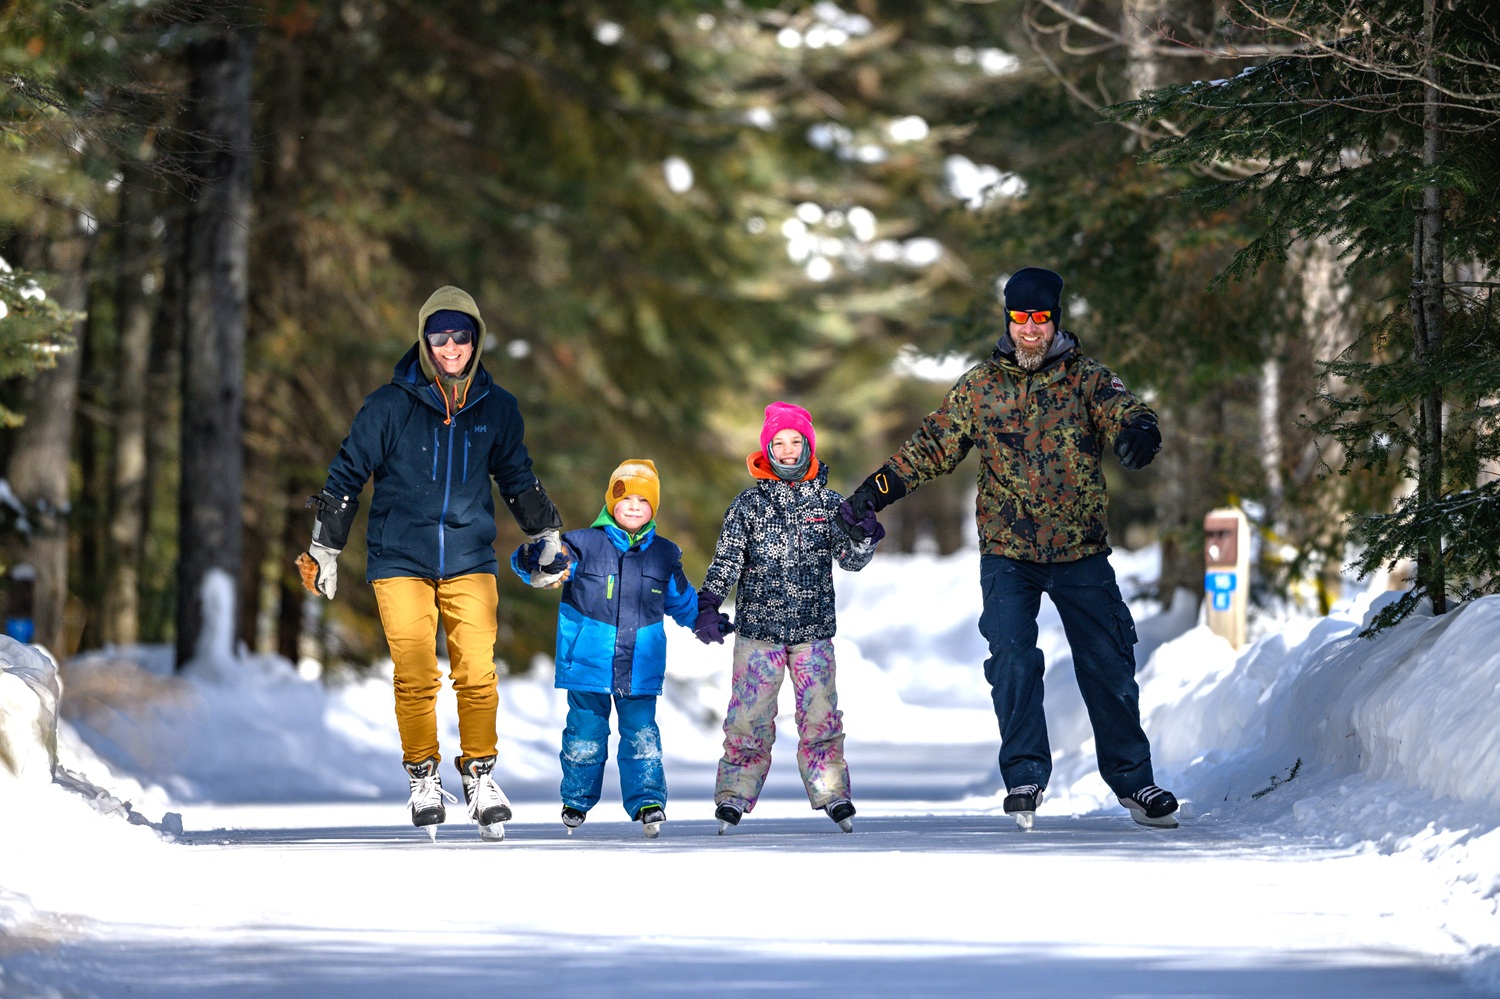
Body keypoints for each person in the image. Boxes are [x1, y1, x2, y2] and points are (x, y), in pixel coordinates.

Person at [838, 267, 1179, 830]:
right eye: (1020, 318)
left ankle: (1134, 782)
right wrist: (870, 496)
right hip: (1008, 553)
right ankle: (1025, 774)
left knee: (1108, 663)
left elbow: (1127, 410)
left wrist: (1139, 432)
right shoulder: (980, 388)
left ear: (1055, 322)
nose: (1029, 330)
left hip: (1079, 551)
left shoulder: (1087, 380)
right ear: (1007, 320)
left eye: (1040, 319)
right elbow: (930, 448)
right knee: (1013, 659)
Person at [298, 285, 571, 842]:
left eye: (461, 336)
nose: (451, 347)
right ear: (424, 340)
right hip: (399, 557)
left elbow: (516, 476)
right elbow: (346, 476)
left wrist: (546, 533)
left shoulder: (498, 408)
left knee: (476, 670)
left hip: (470, 556)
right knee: (417, 672)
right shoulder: (387, 406)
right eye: (440, 336)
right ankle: (423, 777)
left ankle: (480, 775)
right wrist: (325, 547)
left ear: (477, 340)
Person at [696, 401, 884, 834]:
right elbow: (726, 561)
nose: (786, 450)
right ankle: (734, 796)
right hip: (758, 633)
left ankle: (832, 792)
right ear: (766, 448)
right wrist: (708, 604)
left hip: (812, 633)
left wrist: (863, 539)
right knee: (748, 719)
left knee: (821, 719)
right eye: (777, 442)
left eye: (794, 441)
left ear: (808, 446)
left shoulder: (830, 503)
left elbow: (850, 561)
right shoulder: (748, 505)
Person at [511, 458, 697, 839]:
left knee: (641, 734)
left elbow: (684, 602)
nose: (633, 506)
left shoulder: (664, 554)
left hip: (640, 666)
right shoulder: (581, 545)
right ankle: (576, 799)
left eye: (643, 501)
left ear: (653, 508)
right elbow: (544, 564)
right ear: (610, 502)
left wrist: (709, 621)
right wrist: (531, 559)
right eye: (624, 497)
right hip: (588, 662)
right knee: (584, 734)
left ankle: (647, 800)